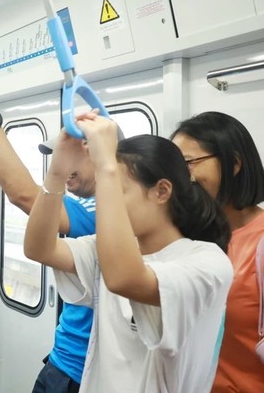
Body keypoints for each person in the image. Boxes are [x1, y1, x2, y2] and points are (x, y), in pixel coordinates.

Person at [25, 112, 233, 392]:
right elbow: (39, 247)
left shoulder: (208, 263)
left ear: (161, 191)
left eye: (116, 190)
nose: (106, 202)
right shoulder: (108, 249)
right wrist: (58, 171)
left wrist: (107, 166)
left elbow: (123, 278)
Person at [0, 70, 96, 392]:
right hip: (64, 359)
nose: (61, 169)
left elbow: (23, 195)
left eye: (67, 158)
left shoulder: (99, 210)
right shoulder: (87, 205)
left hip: (79, 371)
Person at [171, 111, 264, 392]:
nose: (181, 178)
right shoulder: (188, 236)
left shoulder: (260, 242)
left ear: (234, 163)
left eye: (188, 163)